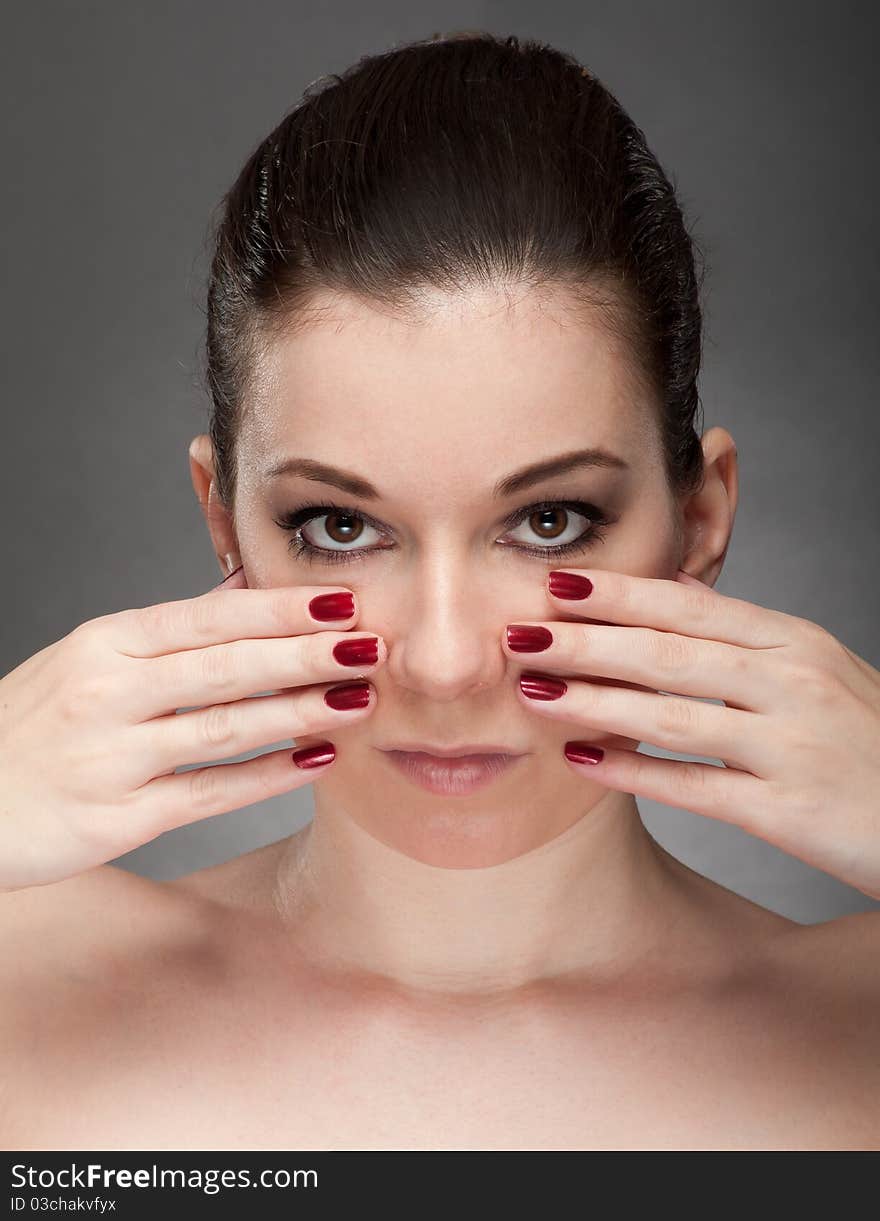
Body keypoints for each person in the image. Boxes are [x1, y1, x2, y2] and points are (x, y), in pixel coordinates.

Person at [1, 31, 878, 1153]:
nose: (451, 662)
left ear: (698, 519)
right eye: (343, 527)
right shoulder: (22, 1000)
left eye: (549, 521)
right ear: (226, 523)